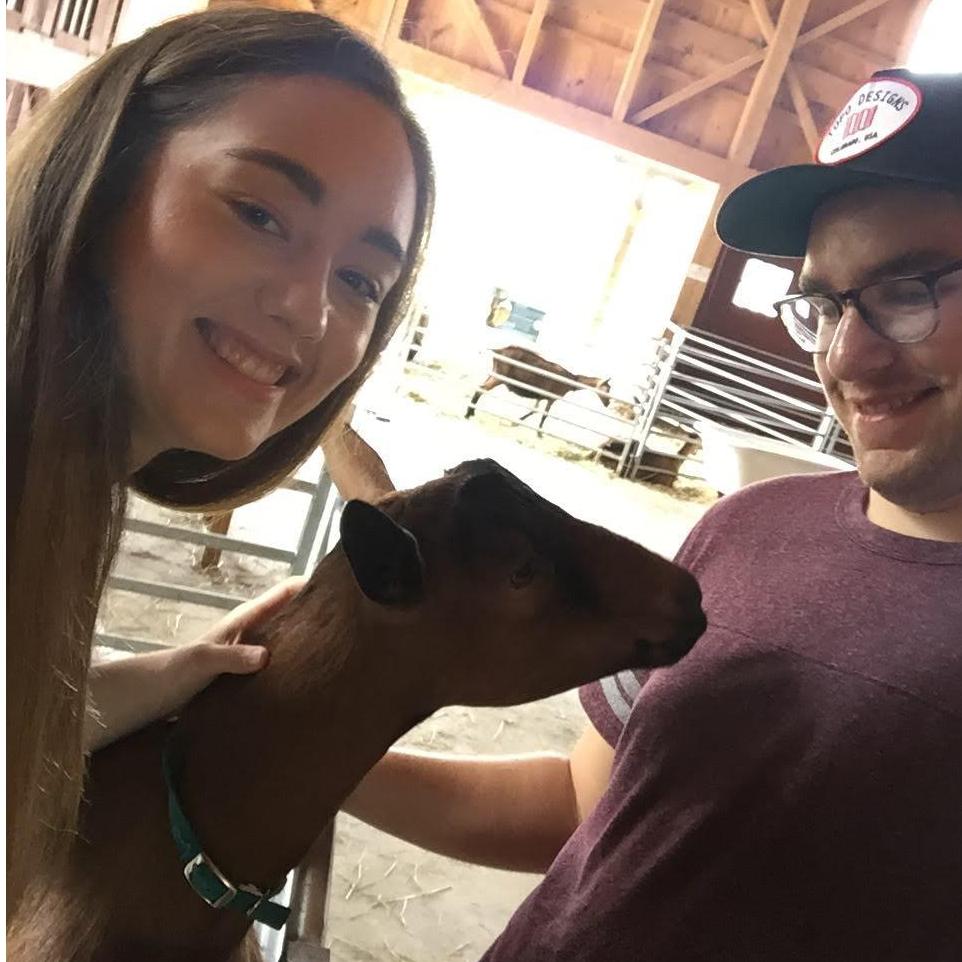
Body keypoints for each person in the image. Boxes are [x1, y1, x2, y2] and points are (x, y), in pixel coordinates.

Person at [342, 68, 962, 960]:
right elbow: (587, 807)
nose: (844, 356)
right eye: (824, 306)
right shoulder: (748, 526)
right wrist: (312, 748)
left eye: (908, 291)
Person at [6, 5, 435, 916]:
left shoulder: (52, 500)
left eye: (361, 280)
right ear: (104, 172)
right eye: (260, 214)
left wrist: (169, 676)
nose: (310, 311)